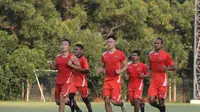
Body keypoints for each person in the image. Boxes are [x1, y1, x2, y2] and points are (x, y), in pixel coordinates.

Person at [48, 39, 82, 112]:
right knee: (58, 102)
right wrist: (51, 65)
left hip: (67, 81)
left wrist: (71, 65)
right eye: (62, 44)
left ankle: (72, 105)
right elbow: (56, 68)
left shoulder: (72, 57)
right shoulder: (58, 57)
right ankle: (73, 105)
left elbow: (80, 68)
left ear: (69, 47)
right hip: (58, 80)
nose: (63, 46)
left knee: (62, 99)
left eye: (65, 45)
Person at [98, 35, 128, 112]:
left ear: (115, 43)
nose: (109, 43)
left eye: (111, 42)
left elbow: (126, 65)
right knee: (106, 100)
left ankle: (121, 103)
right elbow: (103, 66)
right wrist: (100, 69)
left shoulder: (120, 53)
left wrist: (121, 71)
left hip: (116, 80)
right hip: (107, 80)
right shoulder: (104, 55)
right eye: (108, 42)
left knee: (114, 102)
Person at [148, 37, 176, 112]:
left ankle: (161, 108)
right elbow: (149, 66)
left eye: (158, 43)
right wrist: (147, 73)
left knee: (161, 101)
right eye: (155, 43)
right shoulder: (150, 54)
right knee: (151, 100)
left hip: (162, 80)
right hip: (153, 80)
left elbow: (174, 67)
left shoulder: (166, 55)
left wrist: (167, 68)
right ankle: (161, 109)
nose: (156, 45)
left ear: (162, 45)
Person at [69, 44, 93, 112]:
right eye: (74, 49)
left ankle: (90, 110)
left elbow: (86, 70)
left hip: (81, 82)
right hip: (73, 81)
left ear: (81, 50)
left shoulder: (83, 59)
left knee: (85, 98)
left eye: (77, 49)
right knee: (71, 97)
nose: (75, 51)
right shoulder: (72, 58)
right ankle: (77, 109)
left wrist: (74, 67)